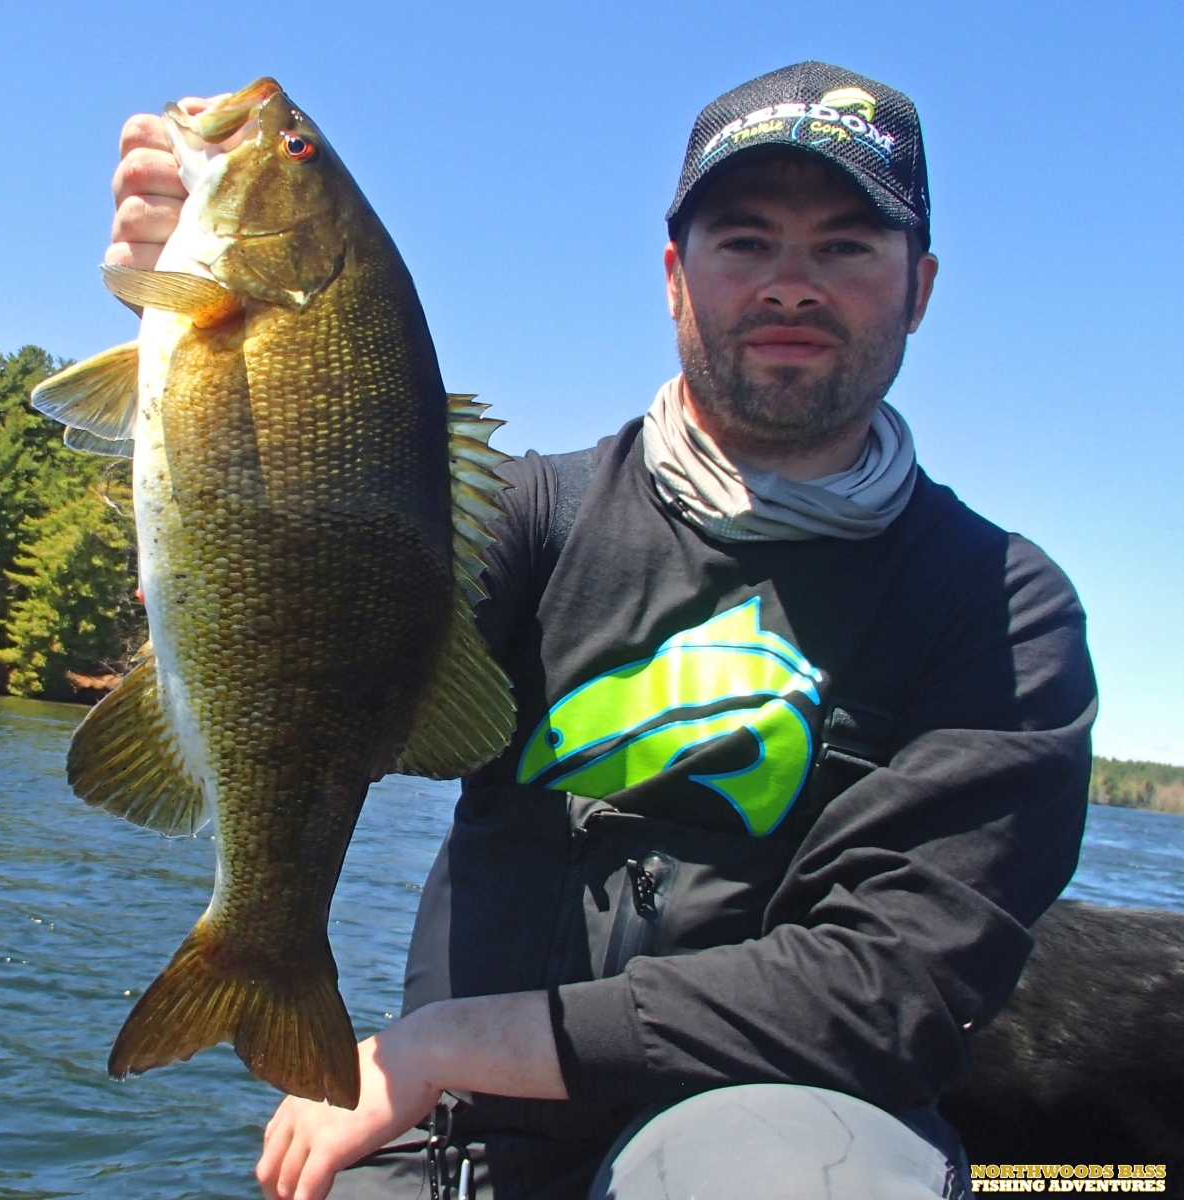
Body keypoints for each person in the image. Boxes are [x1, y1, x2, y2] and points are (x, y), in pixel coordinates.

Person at [108, 62, 1096, 1200]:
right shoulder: (530, 517)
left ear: (919, 289)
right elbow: (292, 591)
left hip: (764, 1127)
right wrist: (192, 351)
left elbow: (887, 993)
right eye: (745, 242)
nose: (790, 285)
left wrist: (445, 1044)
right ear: (676, 279)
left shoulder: (1002, 611)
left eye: (845, 246)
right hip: (454, 1135)